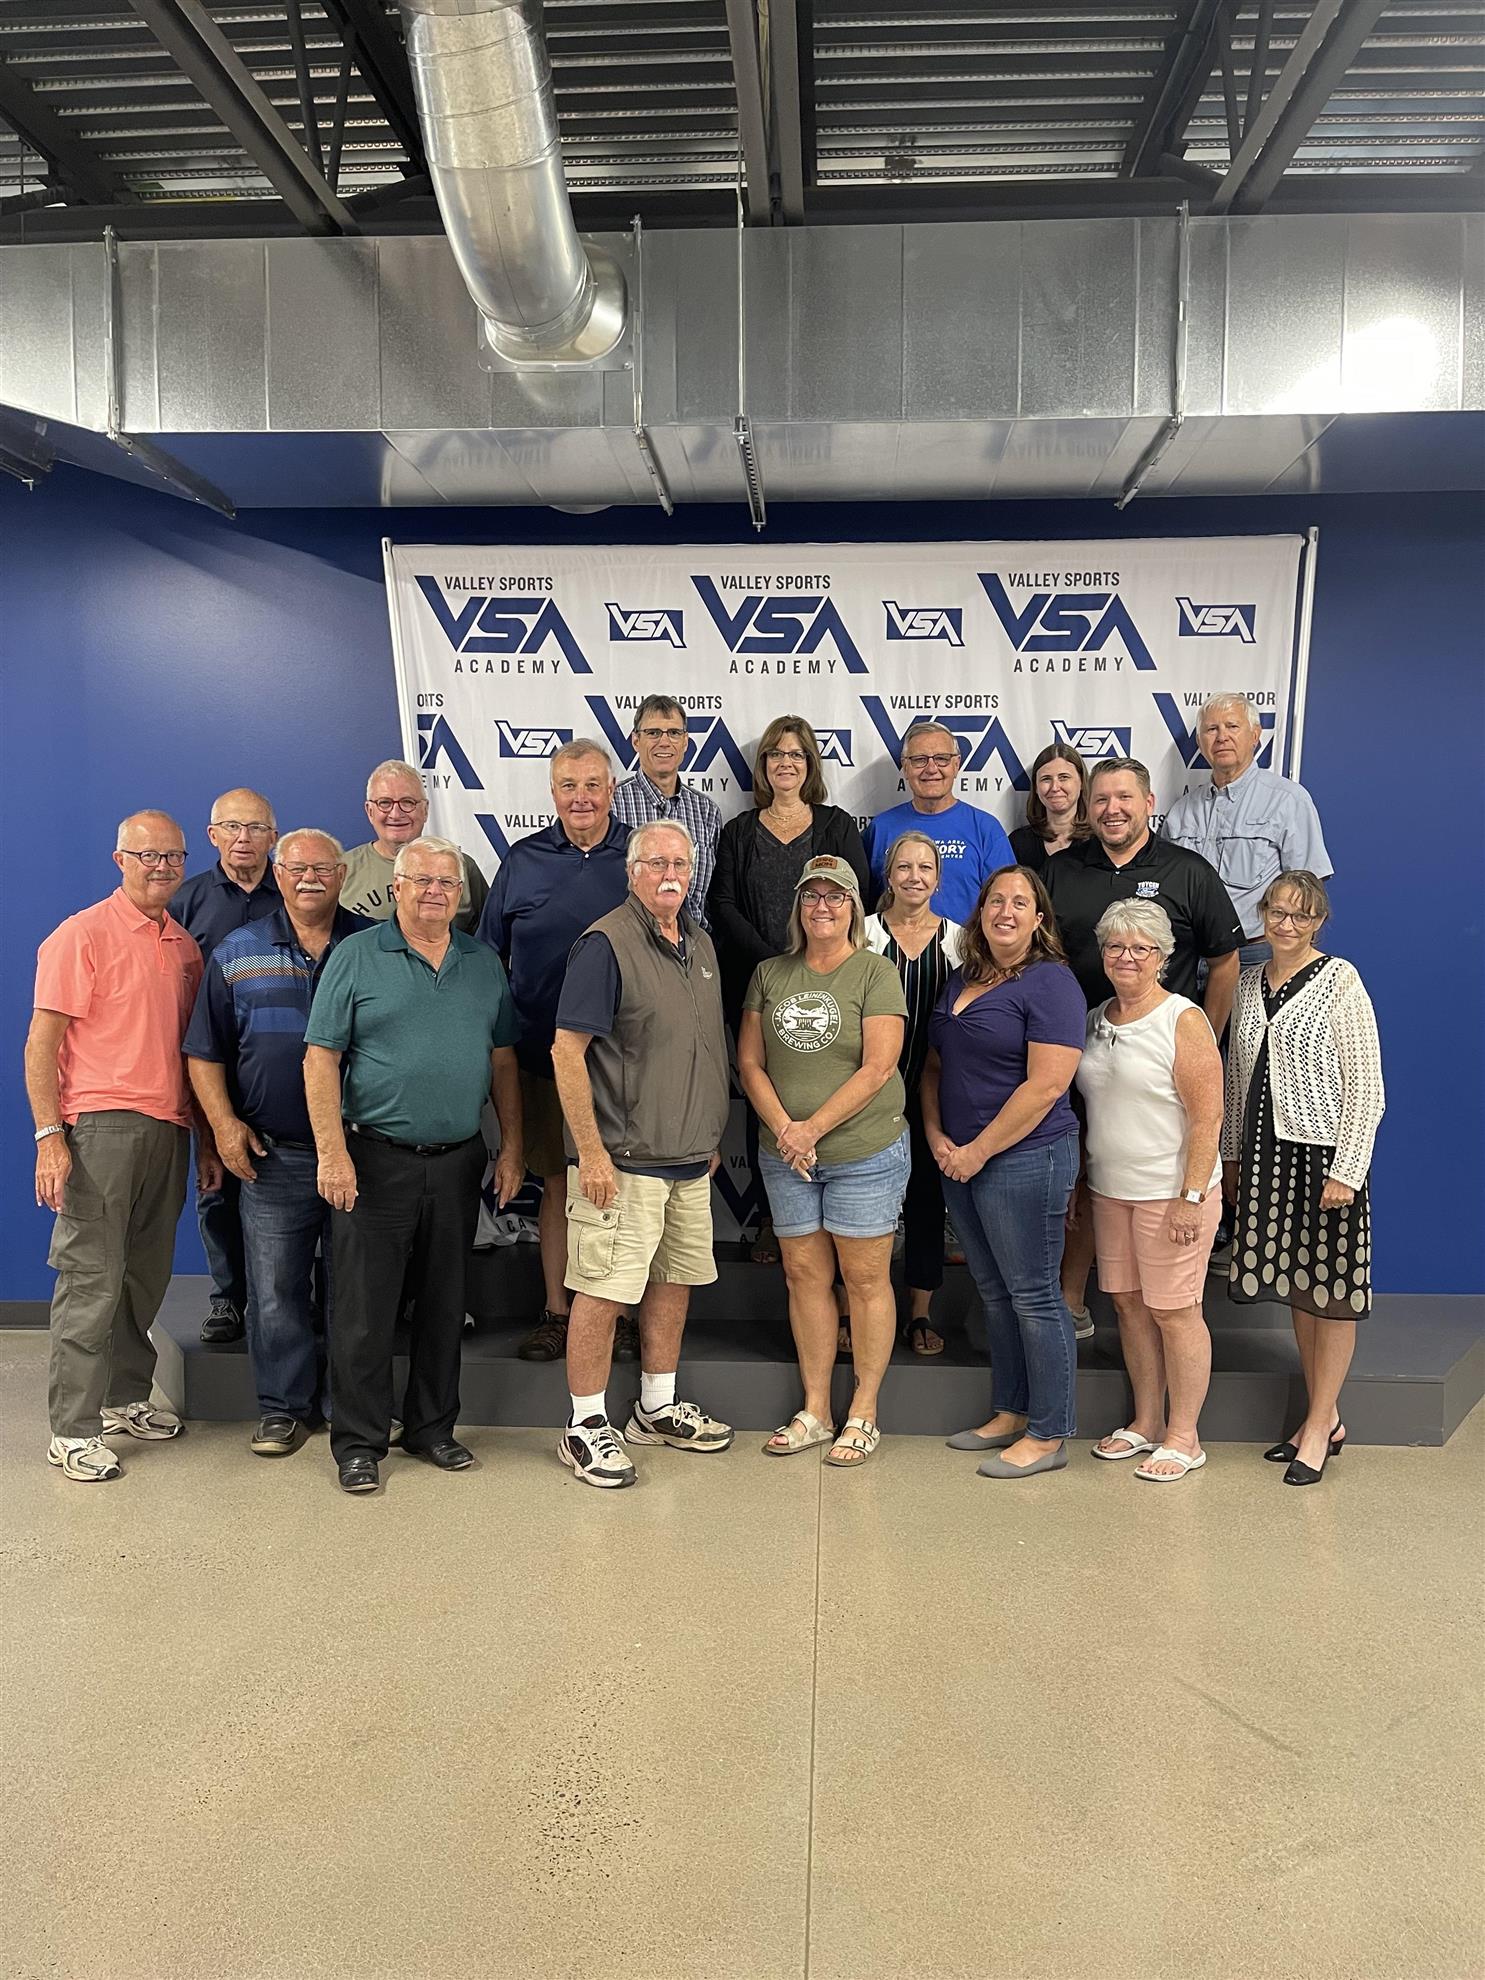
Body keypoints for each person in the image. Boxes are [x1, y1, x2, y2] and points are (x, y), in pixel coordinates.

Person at [305, 836, 523, 1494]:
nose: (435, 892)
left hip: (458, 1160)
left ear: (461, 894)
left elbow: (503, 1061)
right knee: (364, 1313)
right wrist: (332, 1153)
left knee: (444, 1305)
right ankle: (359, 1442)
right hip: (373, 1160)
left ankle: (432, 1428)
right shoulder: (355, 955)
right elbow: (320, 1058)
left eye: (447, 883)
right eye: (421, 880)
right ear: (395, 887)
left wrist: (513, 1146)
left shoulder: (482, 963)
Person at [25, 811, 214, 1482]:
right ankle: (72, 1430)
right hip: (100, 1126)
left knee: (143, 1277)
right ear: (120, 860)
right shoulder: (81, 935)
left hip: (169, 1127)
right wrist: (50, 1136)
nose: (161, 867)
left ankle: (124, 1398)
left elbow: (192, 1055)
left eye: (172, 856)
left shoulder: (183, 945)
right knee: (92, 1280)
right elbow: (41, 1045)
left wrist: (205, 1140)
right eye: (147, 855)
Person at [550, 820, 734, 1488]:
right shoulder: (605, 944)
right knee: (602, 1292)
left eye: (680, 863)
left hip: (686, 1159)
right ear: (631, 871)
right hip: (621, 1162)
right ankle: (583, 1425)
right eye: (656, 862)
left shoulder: (700, 943)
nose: (669, 874)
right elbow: (566, 1052)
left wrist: (706, 1135)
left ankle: (654, 1407)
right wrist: (591, 1153)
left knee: (672, 1281)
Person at [185, 830, 371, 1456]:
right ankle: (283, 1408)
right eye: (296, 868)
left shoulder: (374, 945)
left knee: (355, 1293)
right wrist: (223, 1126)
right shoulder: (238, 951)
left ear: (342, 874)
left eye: (322, 868)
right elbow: (204, 1052)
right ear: (278, 873)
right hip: (275, 1156)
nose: (309, 878)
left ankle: (350, 1409)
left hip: (363, 1153)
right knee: (274, 1292)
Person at [1045, 756, 1242, 1330]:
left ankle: (1159, 1302)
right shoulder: (1059, 872)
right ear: (1087, 808)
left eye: (1125, 797)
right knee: (1086, 1175)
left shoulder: (1188, 871)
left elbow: (1224, 961)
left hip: (1156, 1062)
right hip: (1079, 1054)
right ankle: (1071, 1300)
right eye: (1101, 799)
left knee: (1151, 1174)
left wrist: (1201, 1036)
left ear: (1149, 804)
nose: (1113, 809)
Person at [738, 855, 909, 1469]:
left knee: (864, 1280)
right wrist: (787, 1131)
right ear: (798, 908)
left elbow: (879, 1067)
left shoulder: (875, 971)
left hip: (863, 1151)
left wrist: (810, 1128)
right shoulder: (769, 973)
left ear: (853, 908)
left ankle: (864, 1410)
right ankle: (816, 1409)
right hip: (787, 1156)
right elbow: (750, 1063)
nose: (823, 906)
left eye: (836, 896)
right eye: (811, 896)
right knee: (804, 1277)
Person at [1222, 871, 1384, 1486]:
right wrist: (1231, 1155)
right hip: (1265, 1155)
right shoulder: (1247, 982)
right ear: (1263, 914)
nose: (1287, 924)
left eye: (1301, 915)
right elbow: (1235, 1077)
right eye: (1278, 912)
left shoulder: (1341, 980)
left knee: (1333, 1293)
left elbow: (1366, 1084)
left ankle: (1317, 1427)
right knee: (1299, 1286)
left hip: (1324, 1159)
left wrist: (1349, 1169)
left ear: (1318, 922)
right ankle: (1325, 1415)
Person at [923, 867, 1085, 1480]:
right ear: (980, 912)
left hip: (1026, 1157)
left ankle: (1049, 1434)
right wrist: (938, 1136)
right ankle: (1013, 1411)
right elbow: (934, 1065)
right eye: (996, 900)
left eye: (1020, 902)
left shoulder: (1052, 983)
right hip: (958, 1156)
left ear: (1039, 918)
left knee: (1035, 1295)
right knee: (995, 1292)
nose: (1006, 912)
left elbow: (1046, 1086)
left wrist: (978, 1151)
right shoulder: (963, 977)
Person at [476, 740, 631, 1364]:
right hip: (541, 1058)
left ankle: (618, 1315)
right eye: (569, 786)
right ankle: (556, 1313)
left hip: (624, 1063)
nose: (581, 798)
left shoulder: (639, 857)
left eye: (593, 785)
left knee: (623, 1187)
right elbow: (487, 956)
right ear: (552, 792)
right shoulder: (522, 860)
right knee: (560, 1184)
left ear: (612, 790)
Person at [709, 715, 869, 1264]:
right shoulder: (738, 831)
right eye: (775, 754)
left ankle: (836, 1213)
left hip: (832, 983)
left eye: (796, 754)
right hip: (757, 984)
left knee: (829, 1087)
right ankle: (773, 1219)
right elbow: (722, 904)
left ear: (810, 765)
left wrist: (808, 965)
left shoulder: (836, 825)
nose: (785, 763)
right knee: (765, 1096)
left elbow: (856, 896)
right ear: (763, 766)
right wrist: (773, 964)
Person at [1077, 901, 1225, 1483]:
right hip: (1110, 1189)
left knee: (1175, 1311)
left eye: (1141, 948)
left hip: (1172, 1193)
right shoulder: (1094, 1019)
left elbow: (1208, 1117)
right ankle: (1146, 1421)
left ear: (1162, 957)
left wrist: (1192, 1196)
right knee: (1129, 1307)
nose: (1127, 957)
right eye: (1116, 946)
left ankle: (1185, 1437)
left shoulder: (1182, 1019)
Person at [171, 787, 280, 1347]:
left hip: (281, 1069)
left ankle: (290, 1301)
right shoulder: (185, 901)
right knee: (216, 1184)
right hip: (210, 1066)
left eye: (256, 827)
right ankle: (227, 1298)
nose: (244, 838)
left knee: (289, 1187)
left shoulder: (293, 892)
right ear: (212, 835)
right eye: (232, 827)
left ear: (273, 836)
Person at [864, 831, 964, 1355]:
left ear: (938, 879)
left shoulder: (960, 941)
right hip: (867, 1091)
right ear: (888, 875)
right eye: (904, 867)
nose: (914, 877)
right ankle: (853, 1306)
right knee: (861, 1206)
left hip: (935, 1089)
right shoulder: (862, 934)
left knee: (926, 1199)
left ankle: (920, 1311)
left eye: (925, 868)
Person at [1162, 694, 1332, 969]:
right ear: (1200, 743)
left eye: (1232, 726)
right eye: (1211, 729)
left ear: (1255, 735)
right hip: (1188, 957)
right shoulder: (1180, 812)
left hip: (1256, 955)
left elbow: (1308, 889)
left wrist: (1292, 965)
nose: (1222, 737)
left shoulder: (1287, 800)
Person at [864, 720, 1014, 925]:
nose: (931, 768)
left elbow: (1007, 902)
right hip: (892, 944)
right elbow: (864, 903)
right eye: (919, 760)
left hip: (966, 945)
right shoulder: (881, 829)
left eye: (942, 759)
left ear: (956, 765)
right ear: (905, 768)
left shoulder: (986, 829)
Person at [339, 758, 489, 934]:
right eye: (385, 803)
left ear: (425, 810)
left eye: (407, 802)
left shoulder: (461, 867)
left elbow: (489, 937)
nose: (396, 814)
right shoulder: (341, 870)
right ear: (370, 811)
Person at [611, 693, 721, 931]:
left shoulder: (706, 811)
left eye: (673, 733)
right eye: (653, 733)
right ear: (636, 741)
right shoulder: (612, 805)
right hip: (631, 941)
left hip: (692, 943)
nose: (664, 742)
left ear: (685, 742)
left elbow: (712, 899)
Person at [1009, 741, 1091, 874]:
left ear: (1082, 782)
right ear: (1036, 787)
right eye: (1046, 779)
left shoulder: (1100, 841)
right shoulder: (1018, 843)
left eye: (1064, 777)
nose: (1055, 787)